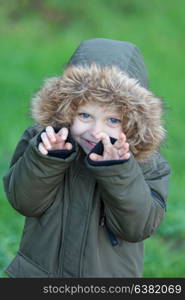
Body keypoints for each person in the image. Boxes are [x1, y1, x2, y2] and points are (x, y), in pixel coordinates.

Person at [3, 38, 171, 278]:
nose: (96, 131)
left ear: (133, 124)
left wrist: (118, 171)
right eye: (84, 115)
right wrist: (47, 159)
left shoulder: (148, 165)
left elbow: (137, 227)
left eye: (112, 120)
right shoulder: (42, 143)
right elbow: (23, 201)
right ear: (66, 110)